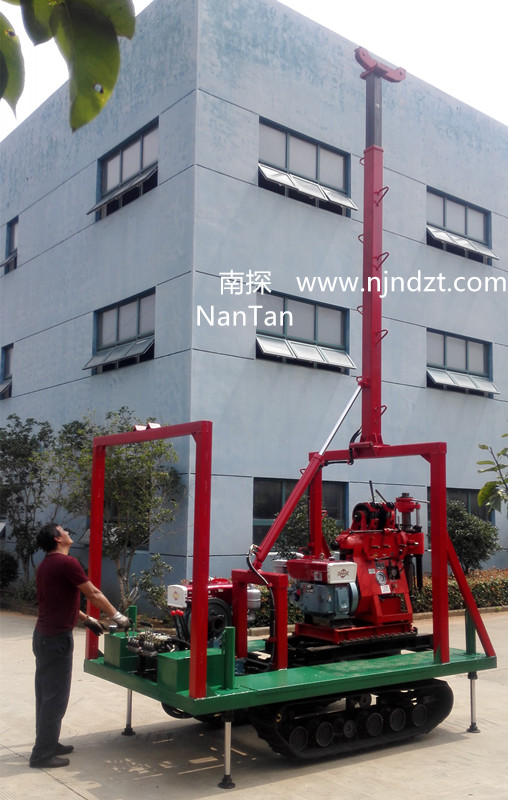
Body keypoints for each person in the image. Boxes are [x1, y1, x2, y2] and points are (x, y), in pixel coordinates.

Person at [29, 522, 131, 769]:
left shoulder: (46, 565)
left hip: (44, 637)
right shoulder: (67, 563)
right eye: (63, 530)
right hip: (56, 639)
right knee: (55, 697)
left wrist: (87, 619)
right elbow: (93, 593)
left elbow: (58, 602)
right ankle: (42, 755)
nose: (67, 532)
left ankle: (48, 742)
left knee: (45, 695)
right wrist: (118, 616)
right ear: (57, 538)